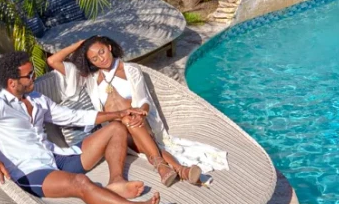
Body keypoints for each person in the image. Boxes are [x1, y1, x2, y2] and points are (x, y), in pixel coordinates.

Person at [0, 50, 160, 204]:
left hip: (56, 156)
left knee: (116, 128)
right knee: (81, 183)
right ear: (12, 83)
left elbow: (71, 117)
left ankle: (116, 181)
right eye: (30, 75)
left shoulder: (35, 98)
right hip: (31, 172)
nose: (34, 76)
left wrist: (118, 114)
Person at [47, 36, 226, 186]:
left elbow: (143, 98)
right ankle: (181, 170)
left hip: (140, 121)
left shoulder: (130, 70)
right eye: (94, 58)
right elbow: (52, 61)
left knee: (130, 119)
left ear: (109, 47)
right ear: (90, 62)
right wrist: (80, 44)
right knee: (126, 122)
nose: (101, 59)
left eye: (101, 52)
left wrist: (142, 113)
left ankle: (163, 168)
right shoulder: (91, 79)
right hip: (116, 132)